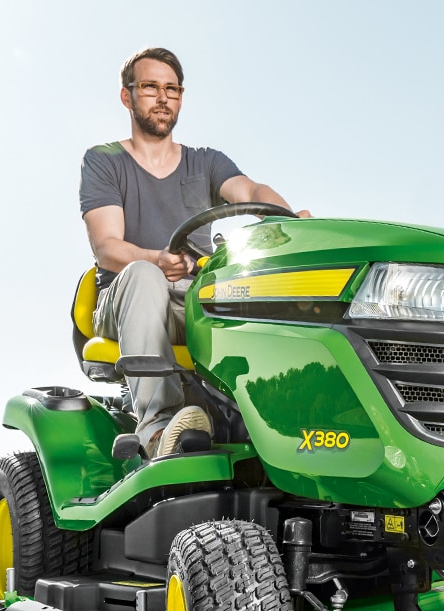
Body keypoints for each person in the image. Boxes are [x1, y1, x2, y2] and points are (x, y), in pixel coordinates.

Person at [79, 47, 309, 459]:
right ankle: (157, 430)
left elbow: (251, 192)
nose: (163, 97)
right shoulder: (105, 161)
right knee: (142, 274)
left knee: (266, 292)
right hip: (127, 298)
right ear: (127, 97)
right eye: (150, 87)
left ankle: (288, 427)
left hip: (196, 300)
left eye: (172, 89)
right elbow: (107, 247)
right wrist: (154, 259)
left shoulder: (206, 162)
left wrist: (287, 219)